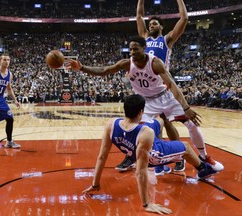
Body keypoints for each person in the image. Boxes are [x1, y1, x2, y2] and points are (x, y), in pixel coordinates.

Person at [66, 35, 224, 173]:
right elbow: (104, 70)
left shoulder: (155, 63)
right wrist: (81, 67)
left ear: (144, 48)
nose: (133, 52)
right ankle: (133, 157)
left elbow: (172, 84)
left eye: (136, 49)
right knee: (137, 131)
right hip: (146, 103)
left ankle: (204, 157)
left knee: (192, 125)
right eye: (131, 49)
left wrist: (186, 107)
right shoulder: (127, 63)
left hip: (165, 97)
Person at [82, 94, 218, 215]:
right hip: (154, 154)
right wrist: (147, 204)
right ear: (141, 112)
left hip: (135, 144)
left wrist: (95, 184)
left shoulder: (111, 124)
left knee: (158, 120)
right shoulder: (146, 133)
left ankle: (162, 125)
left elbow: (102, 156)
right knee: (186, 146)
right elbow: (141, 172)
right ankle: (203, 169)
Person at [121, 0, 189, 174]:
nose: (151, 24)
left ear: (161, 26)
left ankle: (179, 156)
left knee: (165, 122)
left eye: (155, 23)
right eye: (149, 23)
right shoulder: (143, 38)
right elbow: (138, 15)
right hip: (145, 86)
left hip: (160, 85)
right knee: (146, 122)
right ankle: (147, 157)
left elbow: (183, 19)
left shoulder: (166, 39)